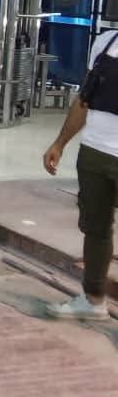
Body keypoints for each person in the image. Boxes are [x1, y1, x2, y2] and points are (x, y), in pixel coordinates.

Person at [40, 31, 118, 320]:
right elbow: (85, 98)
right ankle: (93, 300)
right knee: (95, 228)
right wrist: (60, 143)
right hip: (95, 151)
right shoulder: (106, 41)